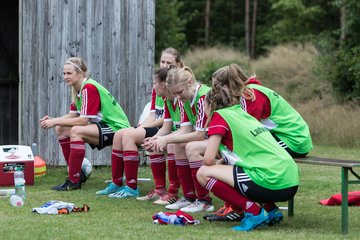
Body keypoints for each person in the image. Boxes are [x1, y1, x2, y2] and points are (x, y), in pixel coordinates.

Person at [204, 64, 312, 221]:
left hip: (293, 139)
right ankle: (267, 208)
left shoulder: (250, 95)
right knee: (248, 159)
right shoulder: (248, 91)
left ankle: (242, 208)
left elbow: (248, 135)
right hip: (286, 138)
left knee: (251, 160)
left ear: (227, 85)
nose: (214, 92)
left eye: (216, 86)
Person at [96, 48, 184, 198]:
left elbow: (168, 119)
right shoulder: (159, 87)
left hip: (166, 128)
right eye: (162, 61)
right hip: (158, 125)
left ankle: (131, 187)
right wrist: (138, 127)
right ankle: (117, 183)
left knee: (129, 136)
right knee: (119, 134)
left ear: (178, 64)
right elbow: (152, 116)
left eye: (169, 63)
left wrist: (137, 131)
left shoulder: (177, 88)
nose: (164, 65)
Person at [40, 57, 130, 191]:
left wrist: (55, 121)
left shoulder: (89, 88)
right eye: (64, 73)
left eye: (69, 73)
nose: (65, 77)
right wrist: (54, 120)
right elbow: (72, 115)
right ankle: (78, 171)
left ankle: (74, 180)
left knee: (76, 130)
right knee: (61, 128)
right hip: (105, 127)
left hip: (117, 128)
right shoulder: (79, 89)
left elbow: (83, 121)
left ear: (80, 73)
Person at [144, 66, 213, 213]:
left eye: (180, 92)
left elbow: (199, 135)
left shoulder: (202, 97)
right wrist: (158, 139)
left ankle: (204, 200)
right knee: (178, 145)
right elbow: (185, 129)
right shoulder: (184, 98)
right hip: (210, 138)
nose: (178, 97)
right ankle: (189, 197)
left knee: (190, 147)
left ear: (189, 82)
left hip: (223, 140)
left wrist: (166, 140)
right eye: (175, 94)